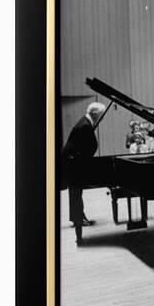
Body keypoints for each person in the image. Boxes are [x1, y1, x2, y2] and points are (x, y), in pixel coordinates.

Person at [61, 102, 106, 244]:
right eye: (101, 115)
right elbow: (91, 147)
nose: (101, 118)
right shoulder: (86, 125)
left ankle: (77, 217)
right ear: (95, 114)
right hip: (74, 163)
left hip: (72, 161)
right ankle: (78, 221)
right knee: (76, 194)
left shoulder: (85, 121)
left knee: (75, 193)